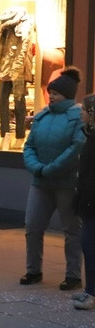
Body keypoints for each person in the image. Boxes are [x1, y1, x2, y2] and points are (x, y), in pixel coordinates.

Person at [20, 66, 85, 289]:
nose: (51, 96)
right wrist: (37, 167)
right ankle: (33, 270)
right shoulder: (42, 116)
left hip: (67, 184)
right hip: (40, 182)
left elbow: (77, 147)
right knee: (32, 226)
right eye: (50, 92)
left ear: (66, 95)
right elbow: (29, 146)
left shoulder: (77, 116)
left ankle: (73, 275)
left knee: (72, 230)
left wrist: (52, 168)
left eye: (55, 93)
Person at [72, 93, 95, 309]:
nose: (81, 113)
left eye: (84, 110)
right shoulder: (90, 135)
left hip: (92, 202)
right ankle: (90, 291)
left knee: (90, 245)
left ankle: (92, 294)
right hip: (88, 200)